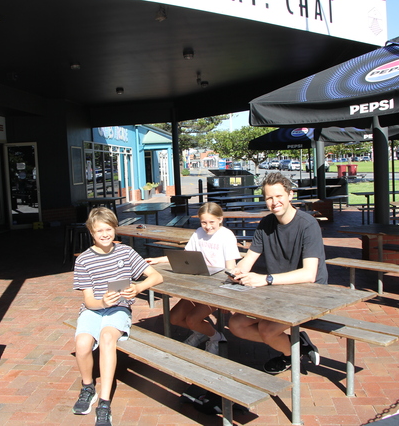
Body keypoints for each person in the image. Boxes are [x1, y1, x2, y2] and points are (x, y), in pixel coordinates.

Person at [227, 172, 327, 375]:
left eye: (279, 196)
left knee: (266, 329)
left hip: (309, 293)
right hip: (276, 290)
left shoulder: (308, 225)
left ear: (290, 195)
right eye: (269, 198)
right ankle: (296, 345)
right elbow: (249, 259)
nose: (274, 202)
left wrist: (266, 279)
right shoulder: (266, 223)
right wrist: (236, 271)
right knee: (236, 325)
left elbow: (309, 274)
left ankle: (289, 355)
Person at [72, 207, 163, 425]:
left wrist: (138, 287)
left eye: (108, 229)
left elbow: (156, 276)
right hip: (94, 309)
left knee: (106, 337)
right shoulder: (83, 260)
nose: (104, 234)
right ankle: (88, 387)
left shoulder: (126, 252)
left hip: (119, 309)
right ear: (91, 233)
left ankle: (104, 402)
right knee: (82, 343)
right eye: (99, 230)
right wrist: (102, 302)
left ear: (115, 229)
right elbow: (88, 300)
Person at [146, 202, 241, 355]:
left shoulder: (226, 236)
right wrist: (158, 260)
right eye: (204, 222)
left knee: (192, 319)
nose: (208, 226)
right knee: (174, 318)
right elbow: (185, 256)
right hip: (198, 285)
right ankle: (201, 332)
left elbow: (231, 268)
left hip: (217, 289)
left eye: (212, 222)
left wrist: (227, 297)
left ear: (220, 219)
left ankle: (216, 338)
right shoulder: (198, 233)